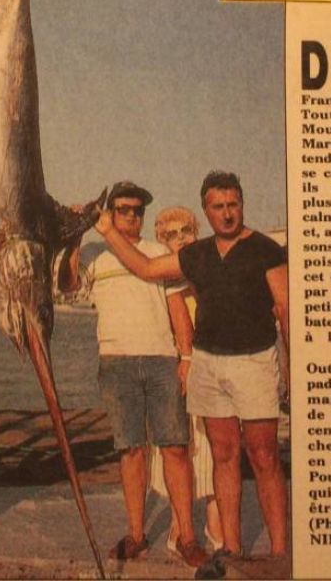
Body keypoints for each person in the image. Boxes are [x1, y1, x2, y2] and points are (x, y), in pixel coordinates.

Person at [94, 171, 289, 578]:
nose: (227, 213)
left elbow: (286, 311)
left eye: (233, 204)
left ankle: (279, 551)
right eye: (218, 206)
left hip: (254, 360)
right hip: (208, 361)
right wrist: (106, 231)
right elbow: (147, 269)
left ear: (242, 204)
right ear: (207, 210)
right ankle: (231, 548)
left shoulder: (266, 249)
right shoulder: (196, 254)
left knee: (265, 456)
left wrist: (289, 366)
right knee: (223, 455)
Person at [59, 181, 208, 569]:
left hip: (161, 360)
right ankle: (137, 535)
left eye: (137, 210)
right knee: (130, 450)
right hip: (116, 361)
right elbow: (68, 285)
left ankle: (188, 537)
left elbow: (178, 310)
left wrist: (186, 356)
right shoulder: (94, 252)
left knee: (175, 448)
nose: (130, 216)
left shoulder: (159, 252)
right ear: (109, 211)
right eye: (122, 209)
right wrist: (75, 236)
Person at [147, 206, 222, 553]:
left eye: (185, 231)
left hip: (212, 367)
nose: (179, 239)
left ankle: (216, 523)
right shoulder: (160, 276)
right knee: (180, 447)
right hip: (174, 371)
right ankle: (180, 521)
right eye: (170, 235)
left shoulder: (210, 268)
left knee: (213, 446)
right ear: (161, 240)